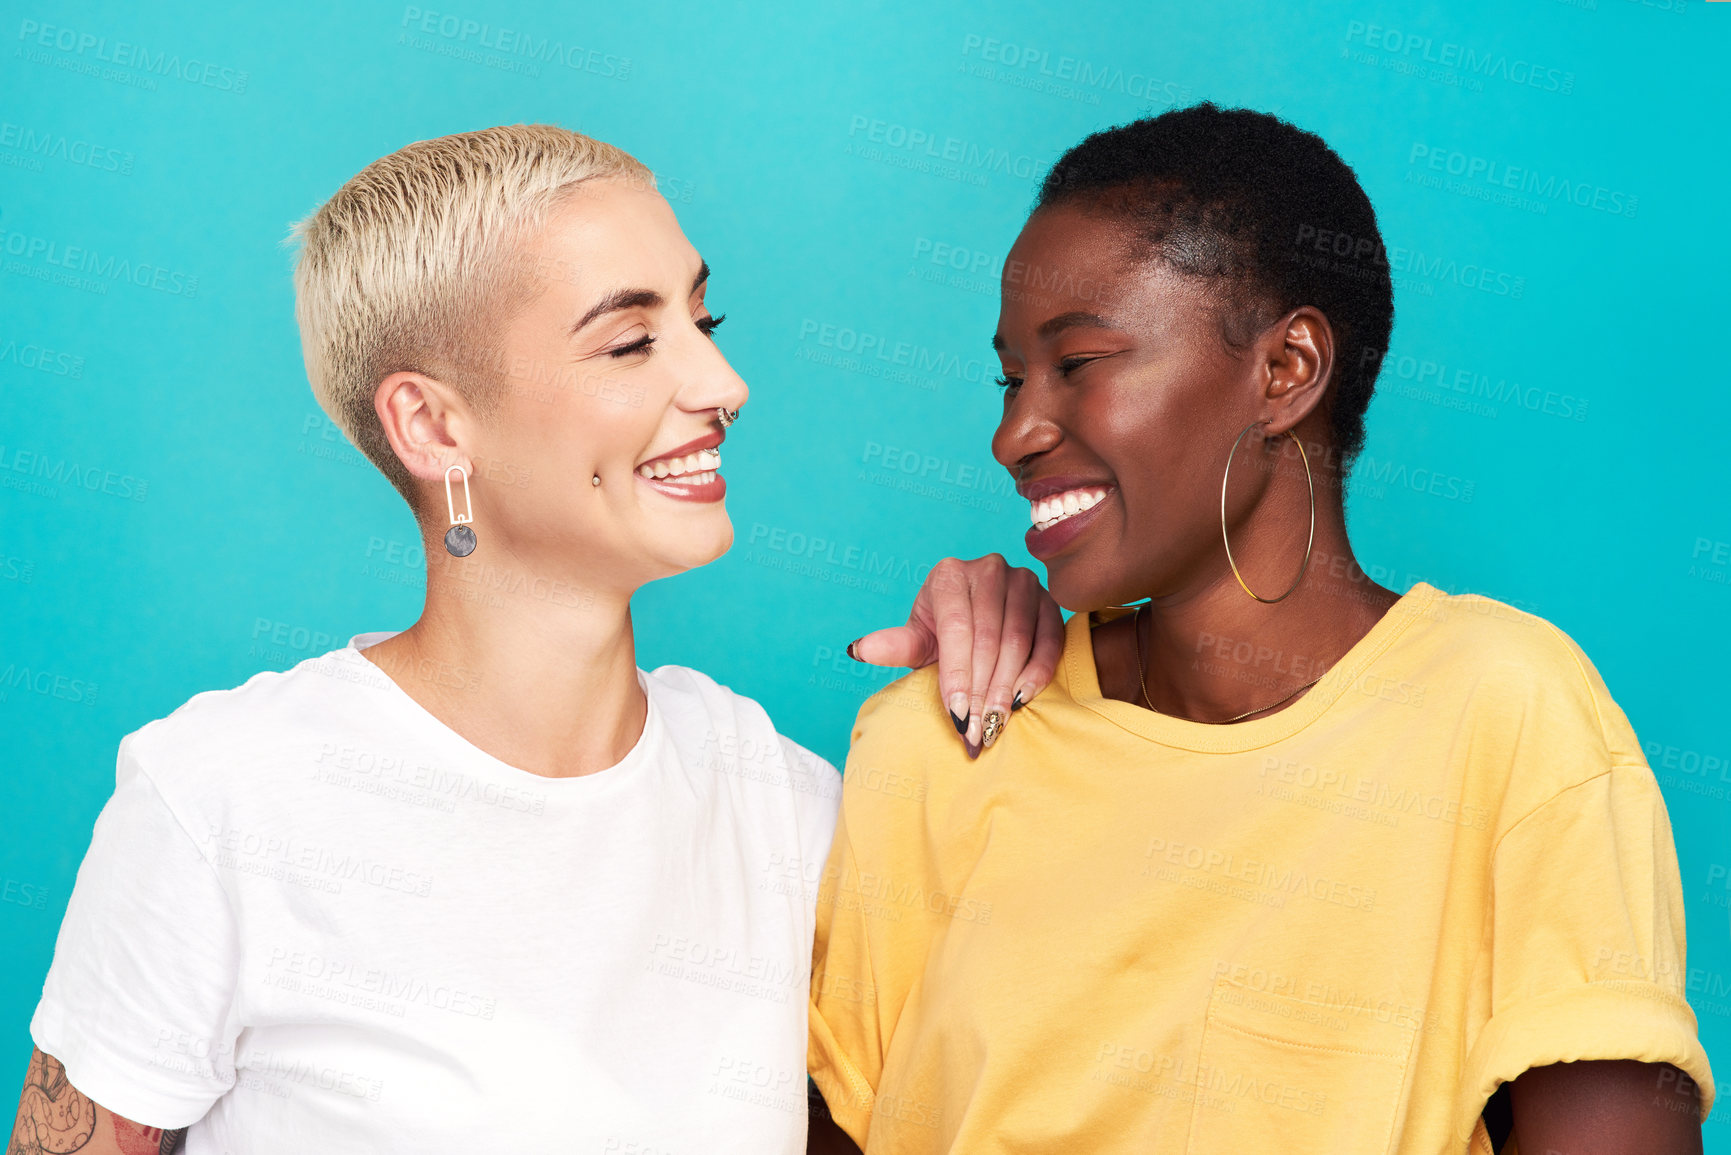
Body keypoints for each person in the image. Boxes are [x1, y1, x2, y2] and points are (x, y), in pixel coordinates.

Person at [7, 125, 1062, 1155]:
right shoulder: (221, 801)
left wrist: (1027, 675)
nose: (723, 387)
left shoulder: (776, 801)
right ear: (432, 426)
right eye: (632, 340)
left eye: (707, 321)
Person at [806, 104, 1714, 1154]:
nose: (1015, 434)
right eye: (1011, 378)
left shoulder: (1505, 715)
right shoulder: (944, 741)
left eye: (1079, 364)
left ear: (1286, 372)